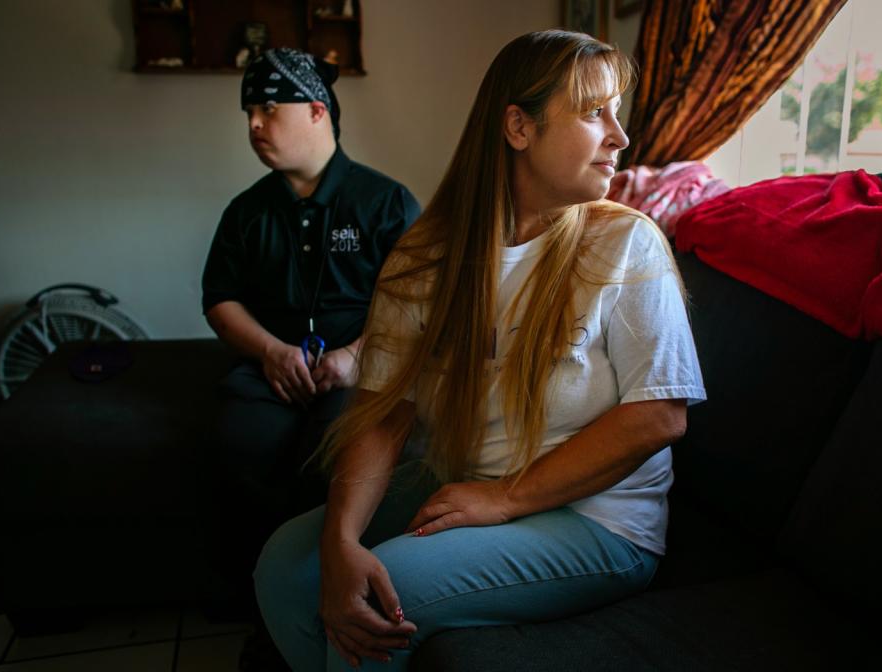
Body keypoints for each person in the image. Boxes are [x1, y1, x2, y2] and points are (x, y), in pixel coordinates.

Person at [253, 30, 706, 671]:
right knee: (283, 565)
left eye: (616, 111)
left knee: (387, 587)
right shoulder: (425, 257)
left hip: (599, 523)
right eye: (592, 111)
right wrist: (339, 538)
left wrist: (505, 498)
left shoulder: (628, 244)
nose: (619, 136)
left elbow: (661, 415)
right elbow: (386, 410)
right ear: (518, 127)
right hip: (465, 484)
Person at [200, 47, 420, 607]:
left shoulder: (386, 202)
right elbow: (219, 298)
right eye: (249, 111)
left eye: (269, 108)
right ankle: (254, 601)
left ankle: (328, 595)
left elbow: (419, 299)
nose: (253, 124)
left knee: (332, 452)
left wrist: (355, 354)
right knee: (237, 442)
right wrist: (271, 351)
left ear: (318, 111)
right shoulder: (245, 212)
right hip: (269, 372)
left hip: (358, 373)